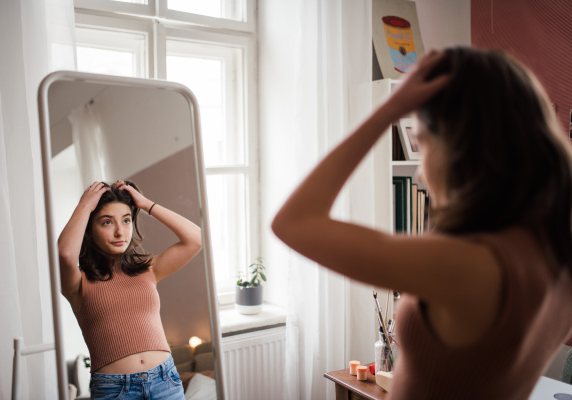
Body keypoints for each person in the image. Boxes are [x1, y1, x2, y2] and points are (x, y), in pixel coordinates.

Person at [272, 47, 572, 399]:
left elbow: (293, 222)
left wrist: (391, 108)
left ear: (460, 149)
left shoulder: (468, 263)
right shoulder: (555, 249)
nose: (419, 173)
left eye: (423, 144)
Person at [58, 179, 202, 400]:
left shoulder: (148, 270)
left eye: (126, 220)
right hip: (113, 390)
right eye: (107, 222)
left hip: (165, 381)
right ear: (89, 229)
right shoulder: (78, 282)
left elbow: (196, 239)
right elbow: (66, 255)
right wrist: (84, 206)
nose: (119, 232)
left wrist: (146, 204)